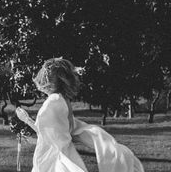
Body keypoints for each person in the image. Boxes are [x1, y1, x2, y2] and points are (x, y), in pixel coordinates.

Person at [16, 58, 144, 172]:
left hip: (52, 159)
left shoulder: (53, 102)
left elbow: (48, 137)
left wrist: (26, 120)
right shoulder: (62, 100)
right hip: (54, 155)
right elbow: (57, 132)